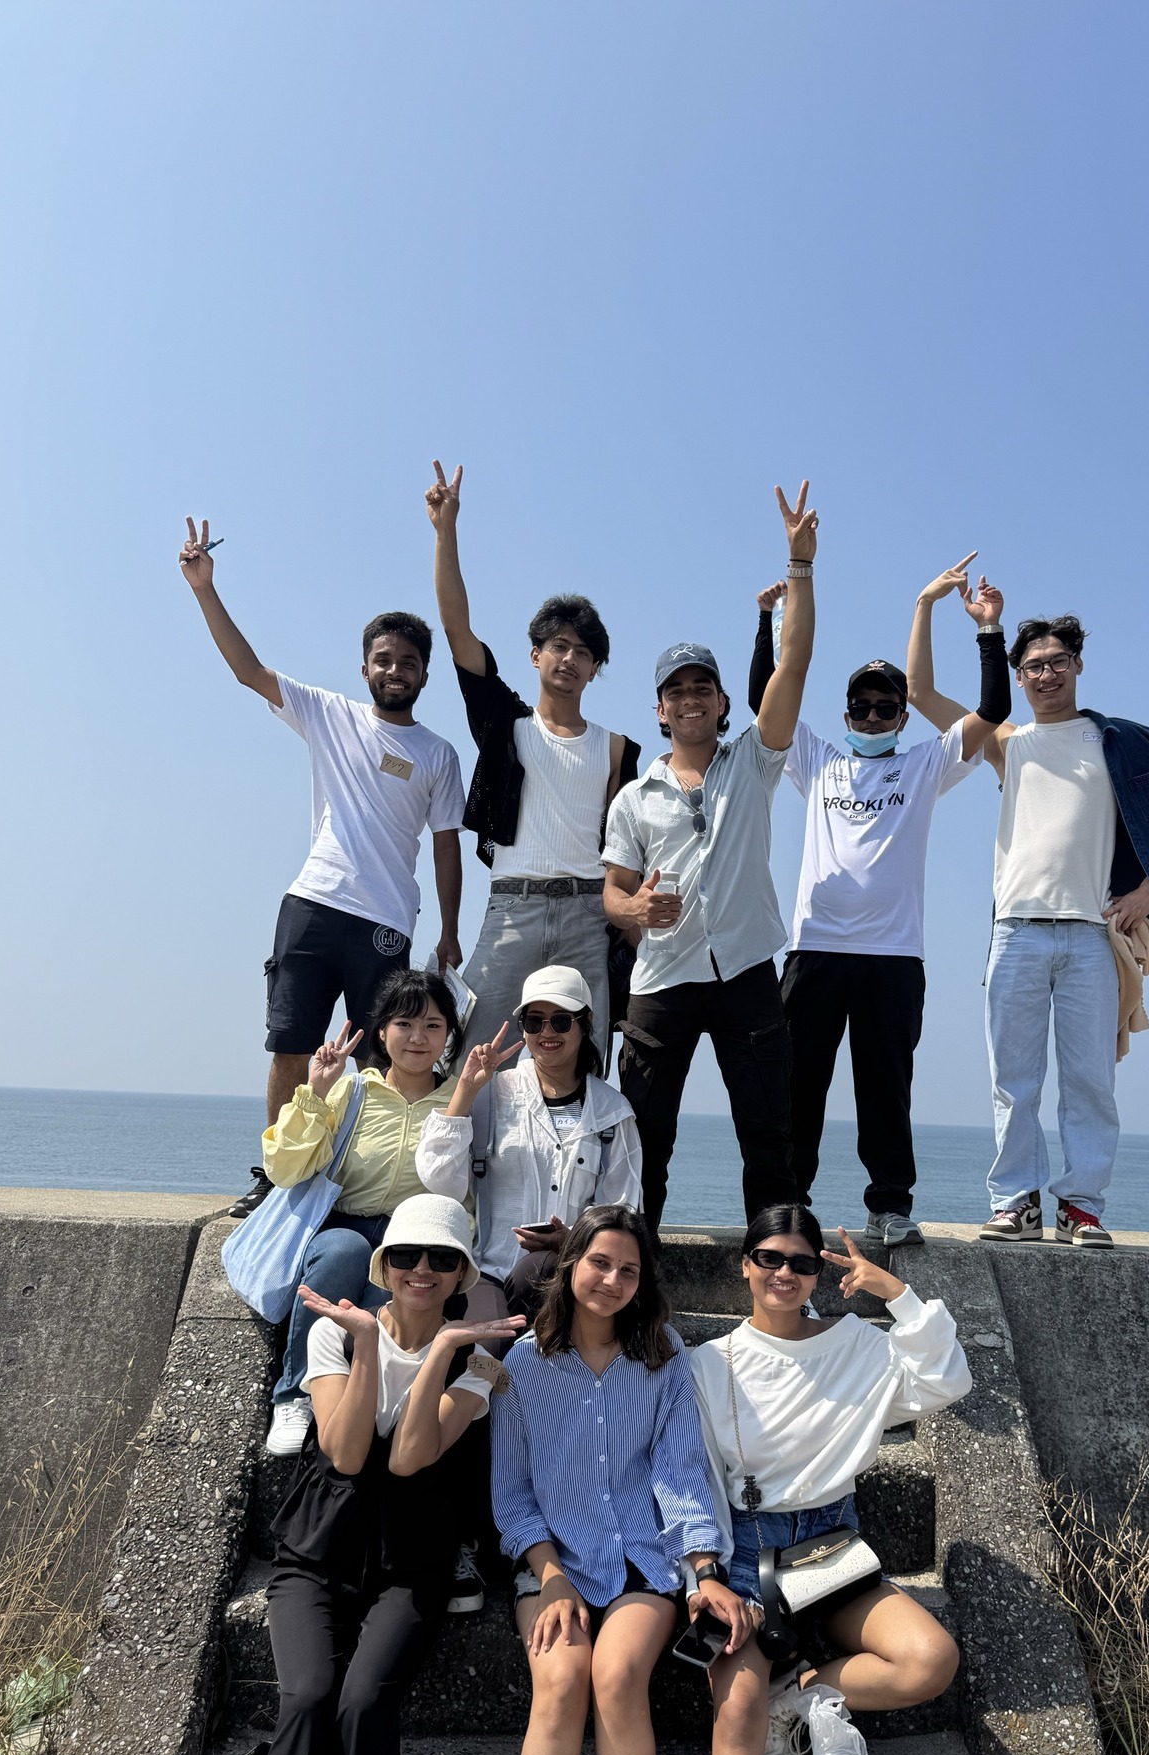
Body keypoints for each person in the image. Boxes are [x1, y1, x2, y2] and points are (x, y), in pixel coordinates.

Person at [227, 1194, 524, 1755]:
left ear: (463, 1274)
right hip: (317, 1554)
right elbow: (348, 1450)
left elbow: (412, 1454)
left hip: (413, 1563)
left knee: (364, 1705)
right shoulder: (335, 1334)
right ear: (382, 1264)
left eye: (441, 1260)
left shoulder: (475, 1359)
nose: (421, 1272)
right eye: (406, 1257)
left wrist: (445, 1353)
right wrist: (365, 1342)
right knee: (306, 1699)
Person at [686, 1203, 972, 1755]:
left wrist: (900, 1297)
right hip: (743, 1549)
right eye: (770, 1257)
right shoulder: (708, 1364)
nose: (785, 1273)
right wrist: (704, 1576)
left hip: (832, 1550)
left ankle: (799, 1702)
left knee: (930, 1658)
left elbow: (946, 1383)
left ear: (820, 1272)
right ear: (744, 1264)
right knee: (734, 1709)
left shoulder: (858, 1346)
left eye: (802, 1262)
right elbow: (690, 1477)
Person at [490, 1206, 744, 1755]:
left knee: (617, 1673)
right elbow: (512, 1495)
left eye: (629, 1270)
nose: (612, 1280)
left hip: (641, 1555)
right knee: (560, 1681)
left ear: (643, 1282)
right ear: (570, 1266)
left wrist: (704, 1569)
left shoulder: (660, 1358)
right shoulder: (522, 1365)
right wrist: (552, 1574)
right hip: (551, 1561)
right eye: (599, 1263)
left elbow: (678, 1471)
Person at [179, 518, 466, 1220]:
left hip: (386, 921)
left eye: (407, 662)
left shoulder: (439, 754)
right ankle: (278, 1179)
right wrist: (205, 590)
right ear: (365, 667)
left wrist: (450, 929)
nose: (394, 670)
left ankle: (349, 1185)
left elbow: (447, 844)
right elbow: (248, 671)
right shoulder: (329, 714)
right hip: (312, 904)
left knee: (374, 1063)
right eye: (382, 659)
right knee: (291, 1048)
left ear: (424, 674)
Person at [744, 555, 1011, 1246]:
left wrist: (988, 631)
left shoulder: (925, 764)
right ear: (845, 714)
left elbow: (993, 712)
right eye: (860, 706)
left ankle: (889, 1204)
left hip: (893, 956)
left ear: (900, 716)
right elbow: (763, 703)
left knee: (884, 1089)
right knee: (798, 1084)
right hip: (814, 950)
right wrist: (766, 621)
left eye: (885, 707)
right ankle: (789, 1203)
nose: (871, 715)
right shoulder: (818, 759)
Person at [971, 597, 1149, 1248]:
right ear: (1019, 676)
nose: (1047, 673)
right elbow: (922, 694)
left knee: (1090, 1081)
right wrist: (984, 629)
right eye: (1034, 665)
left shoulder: (1116, 741)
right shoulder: (1008, 744)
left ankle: (1081, 1209)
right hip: (1016, 930)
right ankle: (1016, 1205)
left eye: (1058, 660)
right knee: (1013, 1083)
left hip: (1092, 934)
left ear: (1079, 664)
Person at [601, 481, 820, 1228]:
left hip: (747, 973)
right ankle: (635, 1260)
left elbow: (793, 667)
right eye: (676, 690)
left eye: (703, 687)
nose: (690, 698)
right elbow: (613, 893)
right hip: (661, 980)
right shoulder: (635, 797)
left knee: (769, 1132)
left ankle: (778, 1260)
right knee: (643, 1135)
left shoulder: (755, 761)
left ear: (724, 703)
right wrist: (636, 908)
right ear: (659, 710)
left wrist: (799, 568)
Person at [424, 462, 640, 1057]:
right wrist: (446, 530)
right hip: (511, 908)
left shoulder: (618, 749)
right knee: (474, 1054)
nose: (570, 659)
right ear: (535, 655)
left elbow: (628, 851)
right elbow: (457, 630)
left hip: (588, 916)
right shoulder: (506, 725)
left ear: (596, 668)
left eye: (584, 652)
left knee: (585, 1057)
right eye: (559, 646)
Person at [259, 967, 462, 1458]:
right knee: (344, 1253)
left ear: (449, 1035)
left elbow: (466, 1185)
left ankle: (368, 1408)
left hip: (411, 1236)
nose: (418, 1038)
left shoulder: (460, 1096)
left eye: (433, 1025)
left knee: (389, 1286)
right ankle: (294, 1396)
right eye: (404, 1023)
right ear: (382, 1031)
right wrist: (315, 1091)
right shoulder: (353, 1090)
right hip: (344, 1223)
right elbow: (284, 1168)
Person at [415, 967, 643, 1324]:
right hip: (488, 1270)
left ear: (586, 1023)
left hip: (574, 1275)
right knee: (485, 1345)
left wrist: (572, 1239)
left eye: (561, 1021)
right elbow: (440, 1180)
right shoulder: (491, 1094)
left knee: (539, 1270)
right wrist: (466, 1090)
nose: (547, 1033)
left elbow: (622, 1210)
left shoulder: (612, 1113)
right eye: (534, 1022)